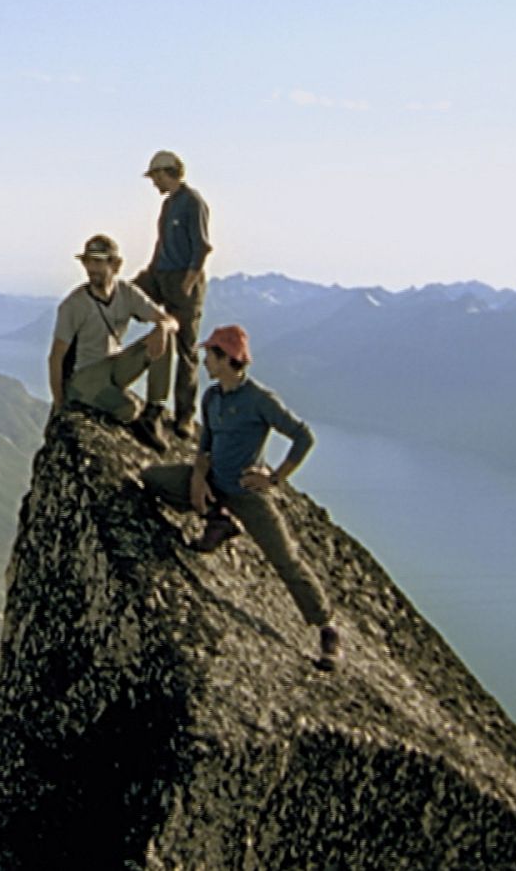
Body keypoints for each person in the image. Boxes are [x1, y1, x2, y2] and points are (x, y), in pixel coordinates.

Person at [139, 324, 342, 671]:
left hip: (247, 492)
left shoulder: (259, 400)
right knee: (151, 478)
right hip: (214, 481)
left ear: (227, 359)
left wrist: (274, 478)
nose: (204, 361)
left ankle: (327, 629)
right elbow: (204, 446)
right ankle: (218, 518)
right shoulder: (212, 397)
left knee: (285, 558)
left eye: (210, 355)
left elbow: (303, 437)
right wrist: (199, 479)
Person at [50, 234, 178, 452]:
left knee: (166, 337)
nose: (92, 268)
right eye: (88, 262)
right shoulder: (74, 305)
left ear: (115, 265)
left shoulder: (126, 293)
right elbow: (56, 356)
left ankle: (154, 411)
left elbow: (171, 321)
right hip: (85, 375)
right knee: (128, 409)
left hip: (114, 365)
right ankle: (105, 405)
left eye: (98, 262)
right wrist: (60, 403)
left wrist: (163, 328)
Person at [133, 150, 211, 441]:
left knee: (186, 349)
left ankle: (184, 418)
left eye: (156, 176)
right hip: (160, 274)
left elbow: (201, 247)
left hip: (182, 280)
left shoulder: (193, 202)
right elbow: (162, 243)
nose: (154, 183)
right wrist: (150, 273)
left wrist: (188, 284)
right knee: (121, 297)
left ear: (169, 172)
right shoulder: (168, 205)